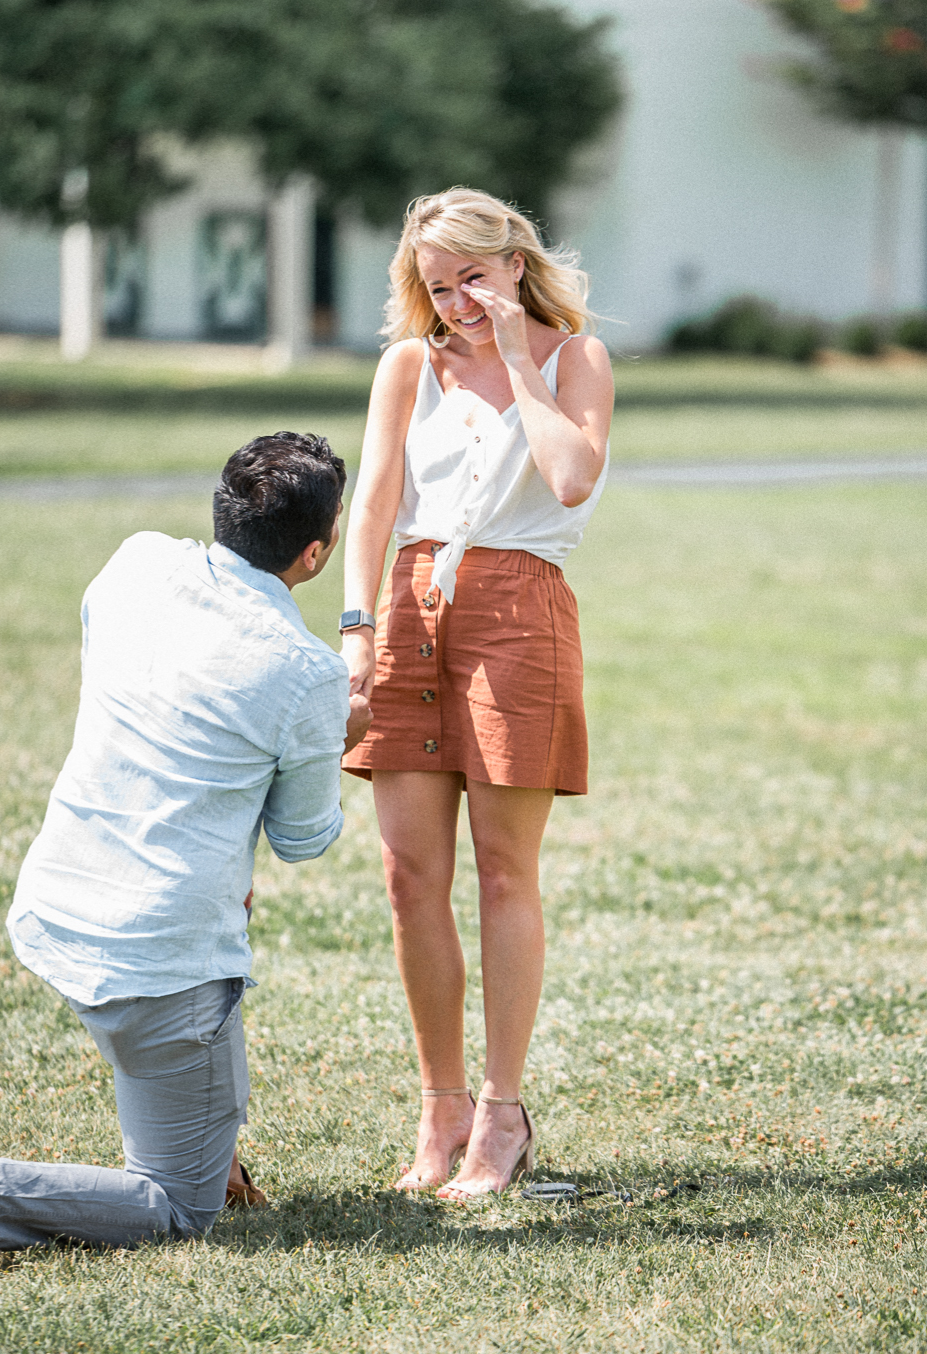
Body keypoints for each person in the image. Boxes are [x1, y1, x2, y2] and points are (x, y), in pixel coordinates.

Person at [0, 432, 372, 1250]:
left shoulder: (135, 561)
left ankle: (209, 1137)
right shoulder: (310, 675)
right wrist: (337, 733)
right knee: (176, 1206)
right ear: (318, 551)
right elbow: (304, 840)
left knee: (189, 1088)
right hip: (156, 963)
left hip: (57, 910)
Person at [340, 188, 613, 1199]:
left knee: (505, 871)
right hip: (410, 608)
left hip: (519, 607)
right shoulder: (408, 364)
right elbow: (372, 502)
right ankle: (439, 1107)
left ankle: (503, 1114)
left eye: (474, 278)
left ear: (512, 262)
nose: (456, 301)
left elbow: (572, 476)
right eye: (437, 284)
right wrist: (357, 626)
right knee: (409, 877)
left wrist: (519, 359)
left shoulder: (575, 358)